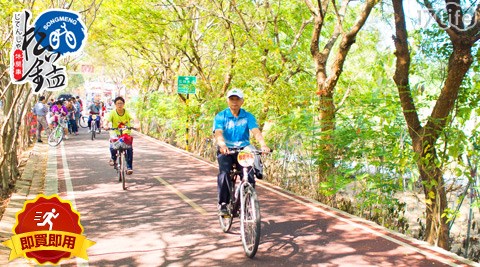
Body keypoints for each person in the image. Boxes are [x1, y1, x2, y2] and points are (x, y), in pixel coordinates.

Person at [213, 88, 270, 215]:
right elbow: (218, 133)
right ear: (228, 101)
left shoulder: (248, 116)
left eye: (237, 99)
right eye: (232, 99)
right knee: (224, 174)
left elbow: (255, 131)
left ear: (242, 101)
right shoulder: (221, 116)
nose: (234, 102)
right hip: (226, 150)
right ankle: (223, 203)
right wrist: (222, 145)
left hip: (243, 150)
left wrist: (263, 144)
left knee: (249, 175)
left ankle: (247, 202)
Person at [104, 96, 135, 175]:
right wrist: (105, 125)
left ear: (124, 104)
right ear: (115, 105)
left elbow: (135, 119)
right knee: (113, 146)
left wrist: (137, 125)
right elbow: (106, 121)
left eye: (121, 103)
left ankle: (129, 167)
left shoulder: (127, 112)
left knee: (129, 149)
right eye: (118, 103)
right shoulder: (112, 113)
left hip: (125, 134)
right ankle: (113, 158)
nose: (119, 105)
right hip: (115, 133)